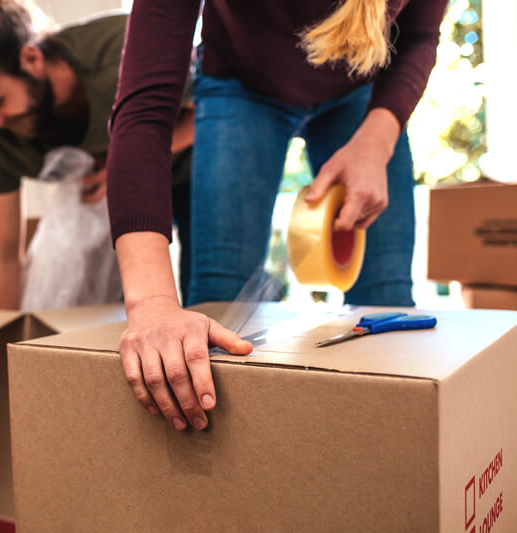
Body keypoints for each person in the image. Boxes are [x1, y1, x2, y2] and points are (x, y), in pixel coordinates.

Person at [106, 0, 448, 431]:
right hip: (242, 80)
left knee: (387, 299)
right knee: (219, 309)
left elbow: (418, 35)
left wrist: (378, 141)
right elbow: (145, 109)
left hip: (364, 84)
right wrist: (151, 304)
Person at [0, 0, 194, 309]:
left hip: (188, 173)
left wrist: (124, 167)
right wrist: (1, 345)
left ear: (31, 59)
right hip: (115, 209)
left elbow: (211, 108)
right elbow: (1, 253)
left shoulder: (118, 55)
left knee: (203, 293)